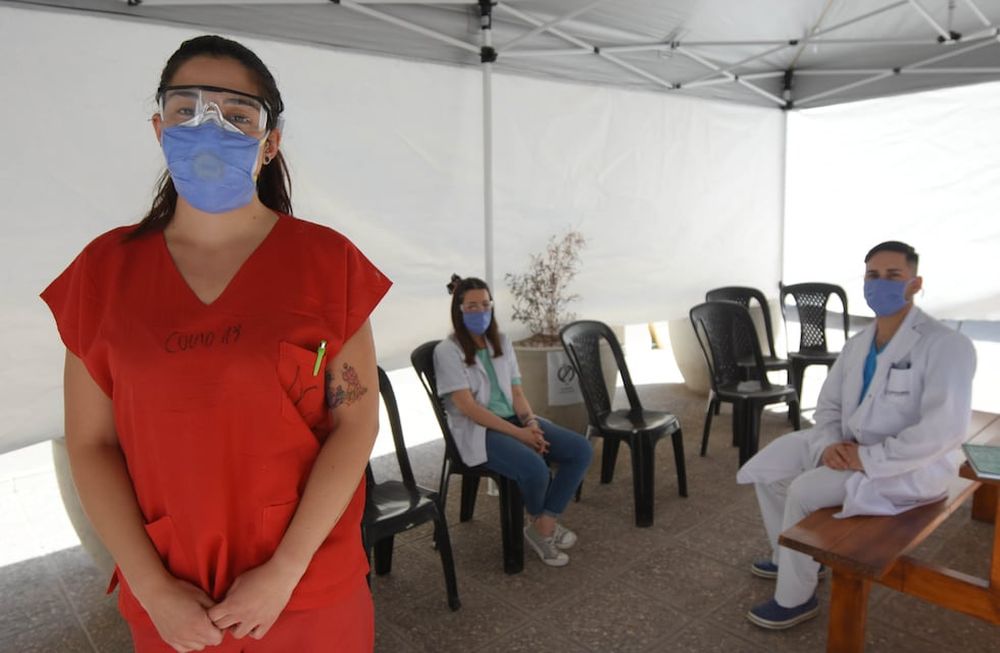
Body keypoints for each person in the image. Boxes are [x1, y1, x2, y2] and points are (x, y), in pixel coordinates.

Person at [41, 36, 391, 652]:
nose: (210, 128)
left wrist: (284, 573)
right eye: (186, 110)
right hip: (173, 597)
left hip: (306, 586)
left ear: (269, 141)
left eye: (236, 115)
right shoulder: (103, 273)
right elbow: (90, 443)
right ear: (159, 127)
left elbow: (355, 423)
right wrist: (152, 588)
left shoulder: (326, 264)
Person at [736, 241, 976, 630]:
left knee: (804, 490)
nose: (880, 284)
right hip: (847, 446)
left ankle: (796, 597)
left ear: (915, 283)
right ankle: (793, 559)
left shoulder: (946, 345)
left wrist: (866, 459)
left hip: (903, 466)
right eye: (872, 276)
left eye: (893, 276)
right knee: (769, 466)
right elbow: (827, 404)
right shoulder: (858, 344)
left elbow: (943, 430)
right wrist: (831, 444)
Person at [433, 275, 593, 567]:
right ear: (458, 310)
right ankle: (544, 529)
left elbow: (517, 392)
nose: (480, 311)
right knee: (535, 467)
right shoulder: (447, 351)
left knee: (580, 449)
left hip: (512, 420)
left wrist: (530, 423)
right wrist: (521, 436)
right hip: (479, 429)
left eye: (485, 304)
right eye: (471, 306)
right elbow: (468, 408)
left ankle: (543, 523)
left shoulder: (502, 342)